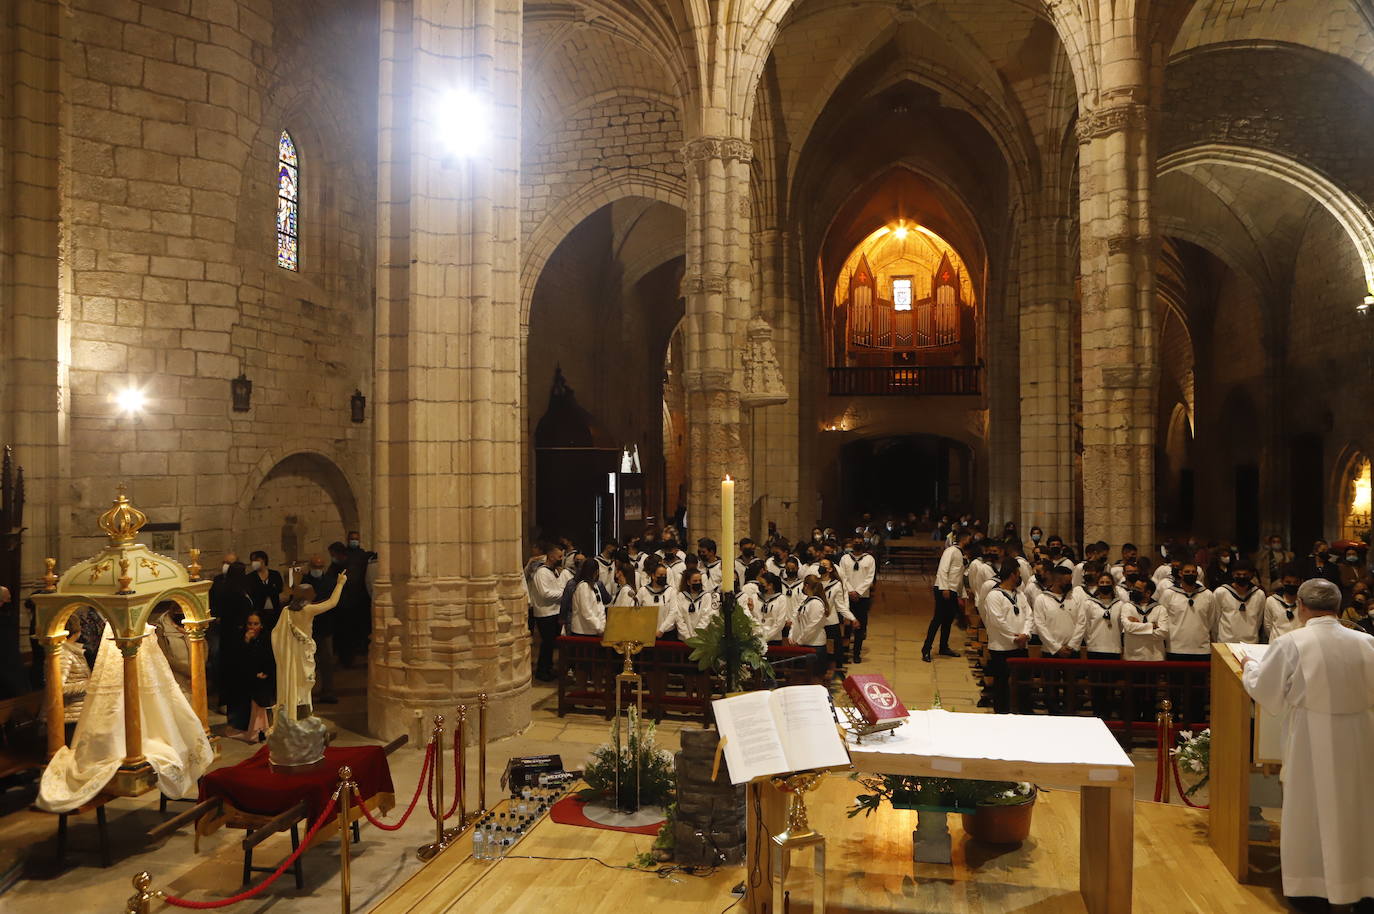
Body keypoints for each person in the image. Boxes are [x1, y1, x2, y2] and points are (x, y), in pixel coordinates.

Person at [1239, 578, 1374, 909]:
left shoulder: (1292, 642)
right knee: (1358, 809)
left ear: (1300, 606)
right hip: (1360, 736)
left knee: (1308, 810)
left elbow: (1265, 687)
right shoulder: (1367, 641)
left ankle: (1310, 891)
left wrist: (1248, 666)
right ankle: (1362, 887)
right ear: (1339, 607)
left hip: (1312, 739)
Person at [271, 573, 347, 722]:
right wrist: (340, 584)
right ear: (308, 595)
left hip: (291, 652)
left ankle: (293, 713)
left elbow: (277, 634)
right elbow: (332, 603)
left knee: (293, 682)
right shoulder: (308, 610)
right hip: (302, 652)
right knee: (302, 686)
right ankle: (300, 715)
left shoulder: (286, 610)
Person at [982, 560, 1032, 713]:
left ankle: (1023, 711)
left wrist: (1025, 634)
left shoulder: (1020, 595)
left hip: (1021, 646)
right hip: (1001, 647)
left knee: (1023, 682)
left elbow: (1029, 615)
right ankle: (1002, 713)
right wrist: (1014, 637)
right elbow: (997, 621)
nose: (1020, 578)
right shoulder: (994, 596)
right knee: (1002, 684)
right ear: (1012, 575)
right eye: (1018, 574)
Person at [224, 612, 275, 743]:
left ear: (261, 625)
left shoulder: (267, 639)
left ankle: (259, 730)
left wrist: (265, 673)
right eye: (250, 623)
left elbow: (270, 658)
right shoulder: (240, 638)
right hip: (244, 677)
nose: (252, 627)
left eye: (255, 624)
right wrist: (246, 642)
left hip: (261, 678)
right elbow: (237, 659)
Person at [924, 530, 970, 662]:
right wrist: (945, 588)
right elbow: (943, 569)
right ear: (965, 539)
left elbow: (958, 576)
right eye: (969, 539)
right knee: (937, 620)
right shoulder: (950, 551)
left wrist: (961, 594)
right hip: (944, 589)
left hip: (952, 590)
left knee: (948, 620)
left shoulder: (960, 553)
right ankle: (926, 649)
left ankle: (944, 647)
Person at [529, 544, 572, 682]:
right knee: (547, 642)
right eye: (559, 556)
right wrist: (564, 594)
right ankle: (542, 671)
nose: (561, 559)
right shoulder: (541, 572)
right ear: (551, 556)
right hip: (545, 613)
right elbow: (545, 593)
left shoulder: (553, 571)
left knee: (552, 643)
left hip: (554, 611)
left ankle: (548, 667)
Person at [302, 554, 340, 704]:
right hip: (307, 629)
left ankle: (328, 691)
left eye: (320, 566)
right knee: (307, 662)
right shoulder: (305, 583)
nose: (317, 569)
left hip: (325, 627)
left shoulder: (329, 582)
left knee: (327, 661)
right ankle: (305, 694)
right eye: (315, 566)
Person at [1162, 561, 1216, 661]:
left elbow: (1211, 620)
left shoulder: (1208, 594)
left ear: (1197, 574)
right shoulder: (1169, 593)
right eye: (1187, 572)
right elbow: (1163, 619)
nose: (1190, 574)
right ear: (1180, 573)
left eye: (1193, 572)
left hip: (1201, 649)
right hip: (1175, 648)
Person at [839, 539, 876, 663]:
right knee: (847, 626)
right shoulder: (845, 559)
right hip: (847, 596)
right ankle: (844, 653)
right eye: (856, 541)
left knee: (860, 626)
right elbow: (842, 575)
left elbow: (870, 578)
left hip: (863, 597)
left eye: (860, 541)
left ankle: (856, 653)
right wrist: (850, 590)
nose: (858, 543)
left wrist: (858, 592)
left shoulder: (869, 559)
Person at [787, 576, 830, 677]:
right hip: (803, 645)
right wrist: (791, 635)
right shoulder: (806, 600)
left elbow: (812, 627)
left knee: (813, 679)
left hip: (814, 646)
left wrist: (799, 641)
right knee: (799, 679)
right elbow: (796, 619)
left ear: (806, 586)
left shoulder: (816, 603)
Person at [662, 569, 718, 640]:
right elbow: (679, 617)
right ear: (688, 582)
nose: (698, 583)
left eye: (699, 580)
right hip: (684, 638)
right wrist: (687, 636)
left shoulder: (706, 596)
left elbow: (706, 617)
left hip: (701, 637)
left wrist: (696, 635)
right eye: (695, 581)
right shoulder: (681, 596)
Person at [1121, 579, 1168, 662]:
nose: (1134, 591)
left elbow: (1162, 633)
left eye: (1138, 589)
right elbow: (1128, 628)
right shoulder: (1127, 607)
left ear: (1148, 593)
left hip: (1155, 658)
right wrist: (1151, 626)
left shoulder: (1160, 609)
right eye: (1134, 588)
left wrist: (1136, 629)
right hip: (1132, 657)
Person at [247, 550, 285, 630]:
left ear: (263, 560)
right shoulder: (250, 577)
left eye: (256, 560)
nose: (254, 563)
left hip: (275, 611)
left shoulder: (275, 574)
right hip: (258, 611)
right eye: (252, 561)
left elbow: (280, 590)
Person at [1264, 568, 1303, 642]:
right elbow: (1268, 626)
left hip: (1298, 644)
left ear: (1301, 582)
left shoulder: (1304, 603)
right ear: (1281, 582)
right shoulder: (1271, 600)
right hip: (1276, 644)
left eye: (1295, 582)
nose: (1292, 585)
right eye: (1288, 582)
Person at [569, 559, 606, 636]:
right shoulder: (583, 586)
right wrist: (599, 627)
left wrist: (603, 624)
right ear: (596, 571)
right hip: (582, 632)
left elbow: (600, 606)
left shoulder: (594, 585)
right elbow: (586, 612)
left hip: (595, 630)